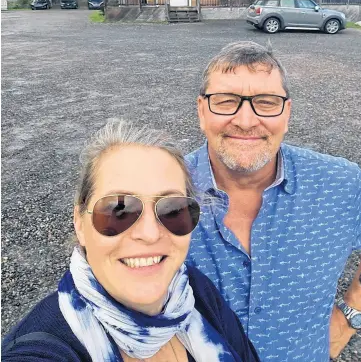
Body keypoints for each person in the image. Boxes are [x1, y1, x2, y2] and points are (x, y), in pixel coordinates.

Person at [185, 41, 361, 361]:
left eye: (266, 103)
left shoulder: (338, 184)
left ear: (287, 113)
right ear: (201, 110)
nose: (247, 120)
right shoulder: (160, 192)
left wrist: (349, 317)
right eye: (226, 101)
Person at [3, 119, 260, 362]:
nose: (149, 233)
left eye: (172, 209)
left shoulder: (197, 291)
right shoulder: (42, 348)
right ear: (80, 223)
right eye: (119, 210)